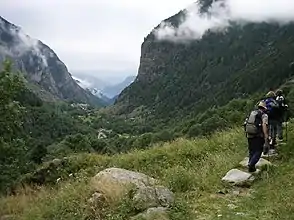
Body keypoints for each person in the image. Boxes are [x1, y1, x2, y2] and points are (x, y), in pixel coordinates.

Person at [244, 101, 270, 172]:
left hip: (249, 134)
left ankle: (251, 168)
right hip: (258, 135)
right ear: (264, 108)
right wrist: (266, 136)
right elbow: (264, 125)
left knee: (251, 151)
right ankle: (251, 164)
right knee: (258, 150)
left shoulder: (252, 113)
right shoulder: (264, 115)